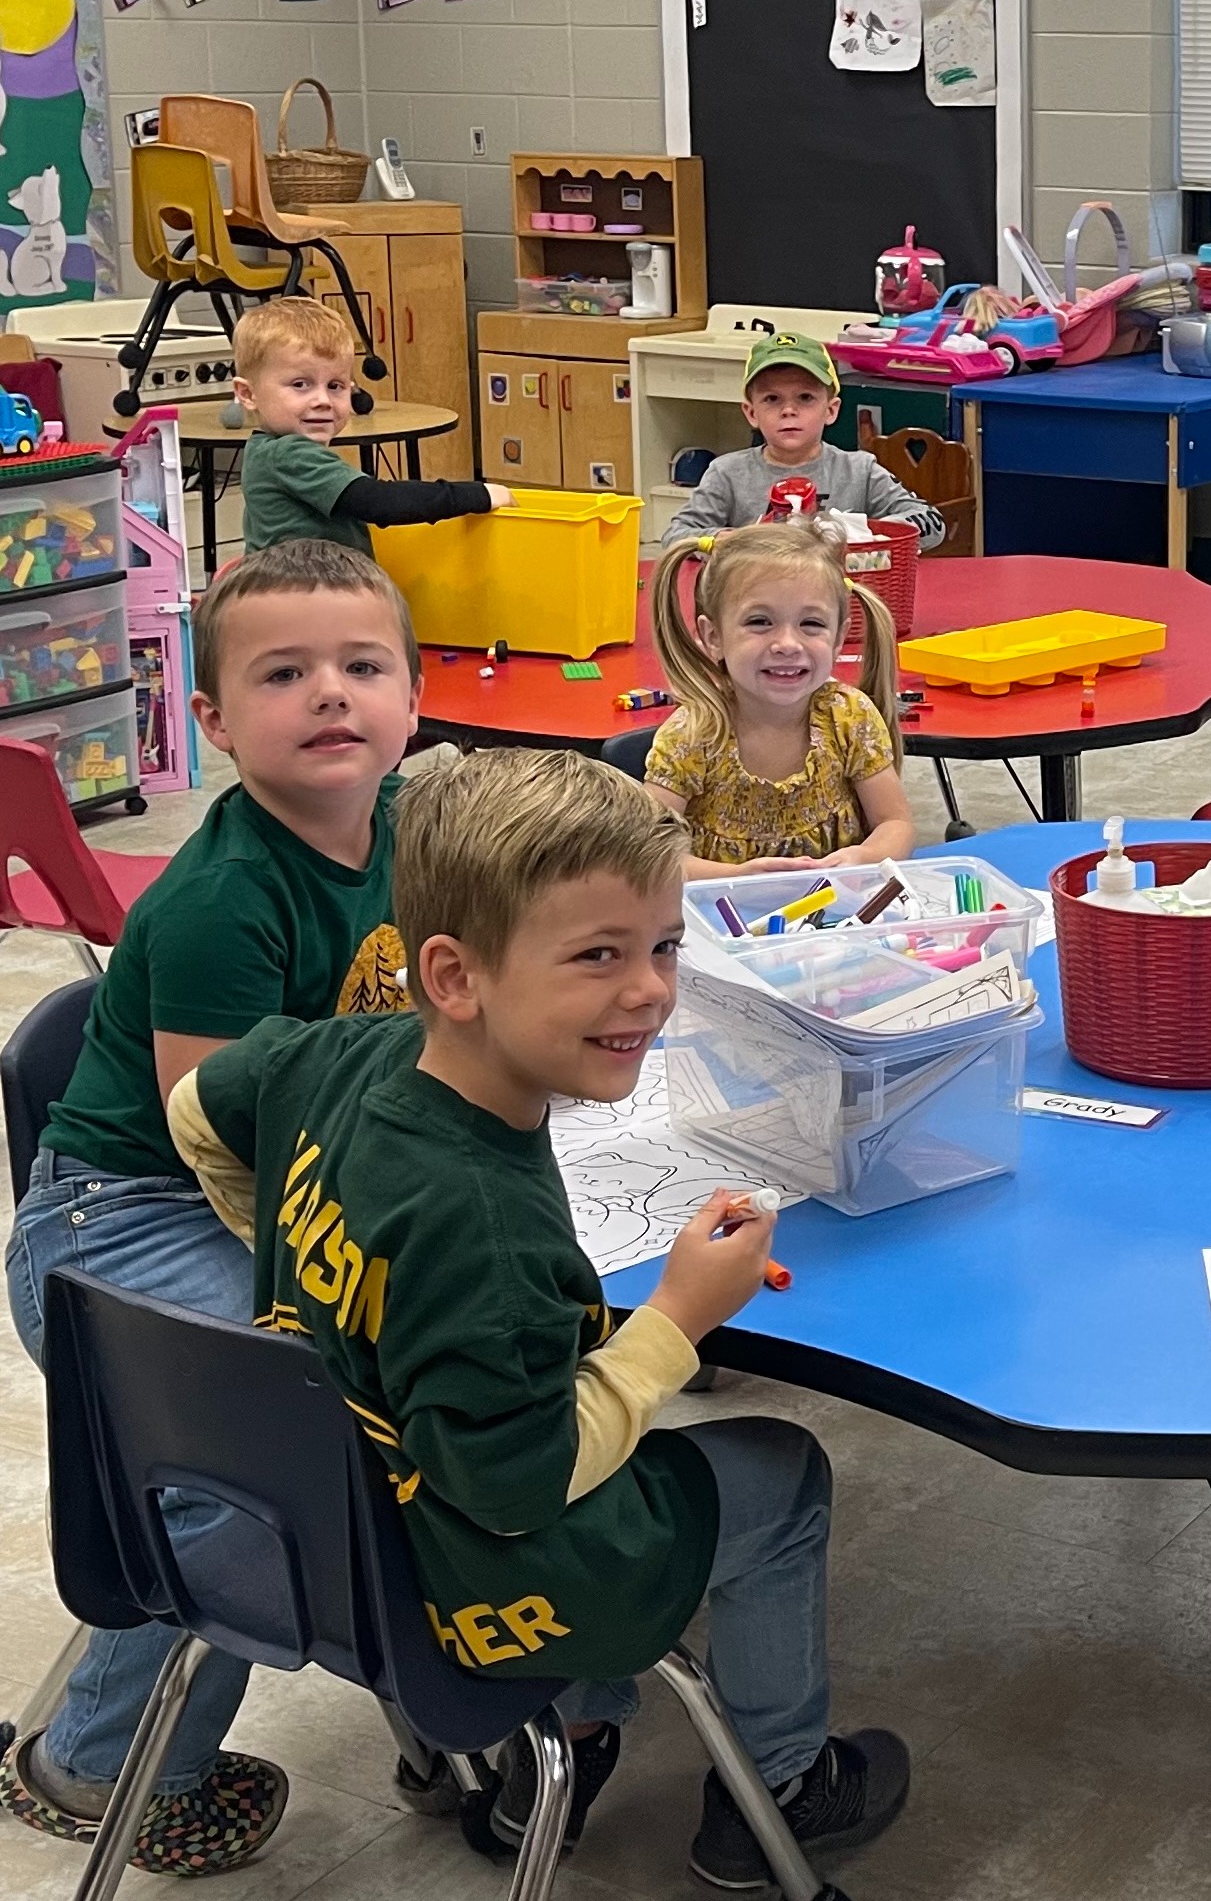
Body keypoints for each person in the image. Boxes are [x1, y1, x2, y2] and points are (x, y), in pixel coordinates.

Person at [167, 749, 911, 1891]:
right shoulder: (483, 1221)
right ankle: (780, 1789)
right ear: (455, 975)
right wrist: (677, 1317)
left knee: (572, 1404)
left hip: (336, 1517)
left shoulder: (342, 1051)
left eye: (663, 946)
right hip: (467, 1578)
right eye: (598, 956)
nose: (650, 990)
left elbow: (194, 1110)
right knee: (782, 1472)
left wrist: (296, 1263)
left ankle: (573, 1734)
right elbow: (518, 1486)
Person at [2, 540, 422, 1875]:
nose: (331, 693)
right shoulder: (225, 897)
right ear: (213, 719)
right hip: (121, 1223)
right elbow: (218, 1135)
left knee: (413, 1367)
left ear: (413, 698)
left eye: (363, 666)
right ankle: (98, 1764)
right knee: (272, 1457)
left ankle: (454, 1692)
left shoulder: (409, 832)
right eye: (283, 674)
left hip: (264, 1188)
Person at [645, 518, 915, 879]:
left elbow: (895, 823)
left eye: (811, 624)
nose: (787, 644)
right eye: (759, 622)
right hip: (718, 910)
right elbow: (649, 855)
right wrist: (739, 879)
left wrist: (865, 857)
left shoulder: (849, 718)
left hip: (838, 908)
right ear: (713, 637)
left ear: (838, 639)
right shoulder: (693, 736)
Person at [229, 296, 511, 557]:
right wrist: (477, 494)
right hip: (303, 591)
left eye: (335, 386)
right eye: (300, 384)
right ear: (248, 394)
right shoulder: (288, 454)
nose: (323, 400)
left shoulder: (264, 449)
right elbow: (378, 503)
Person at [664, 335, 945, 546]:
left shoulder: (860, 470)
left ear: (831, 410)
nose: (789, 410)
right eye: (772, 399)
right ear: (751, 413)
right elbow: (676, 535)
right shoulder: (727, 473)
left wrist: (864, 533)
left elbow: (931, 522)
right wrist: (733, 540)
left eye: (805, 397)